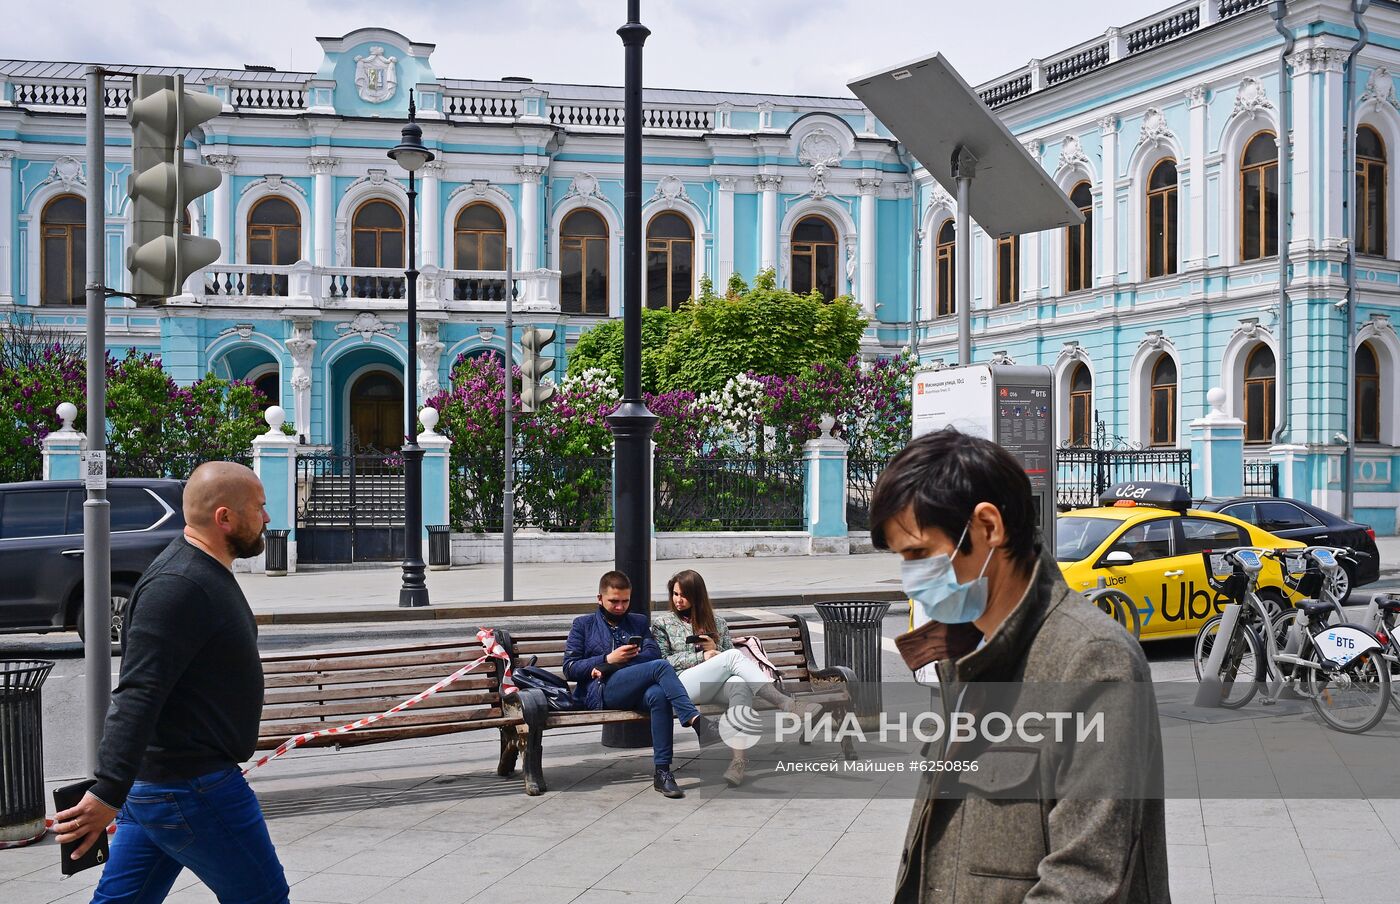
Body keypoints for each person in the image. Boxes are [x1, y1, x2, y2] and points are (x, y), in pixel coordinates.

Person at [871, 429, 1169, 903]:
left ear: (988, 528)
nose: (911, 580)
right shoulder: (962, 654)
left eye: (919, 554)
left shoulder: (1091, 660)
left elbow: (1085, 881)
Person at [55, 461, 290, 904]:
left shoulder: (199, 572)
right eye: (259, 508)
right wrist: (107, 790)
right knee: (263, 898)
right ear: (225, 517)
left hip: (166, 786)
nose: (267, 517)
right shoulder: (178, 585)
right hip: (191, 786)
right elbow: (139, 692)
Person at [651, 569, 821, 786]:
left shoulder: (717, 622)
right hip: (680, 686)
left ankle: (738, 762)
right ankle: (788, 704)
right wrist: (701, 656)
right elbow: (663, 662)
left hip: (713, 685)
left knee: (740, 684)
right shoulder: (663, 623)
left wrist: (715, 651)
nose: (678, 600)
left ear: (697, 595)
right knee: (732, 657)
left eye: (684, 595)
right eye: (675, 594)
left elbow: (731, 664)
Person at [563, 570, 723, 799]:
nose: (620, 607)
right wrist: (608, 660)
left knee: (658, 694)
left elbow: (652, 652)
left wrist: (623, 661)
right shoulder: (583, 625)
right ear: (599, 599)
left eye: (625, 601)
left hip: (634, 688)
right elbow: (570, 667)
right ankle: (696, 721)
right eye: (614, 601)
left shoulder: (637, 622)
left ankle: (663, 772)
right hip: (603, 691)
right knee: (660, 667)